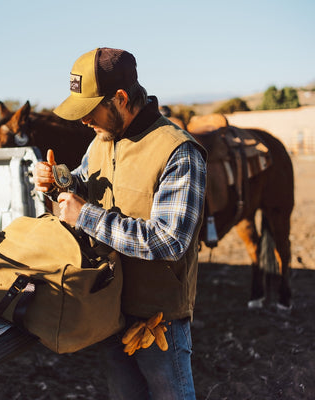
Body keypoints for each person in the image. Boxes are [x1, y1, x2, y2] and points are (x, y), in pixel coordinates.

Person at [33, 47, 207, 400]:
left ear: (121, 98)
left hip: (159, 319)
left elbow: (169, 239)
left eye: (89, 110)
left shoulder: (178, 151)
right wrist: (55, 182)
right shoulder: (101, 140)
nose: (83, 121)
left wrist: (85, 215)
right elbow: (83, 182)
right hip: (110, 308)